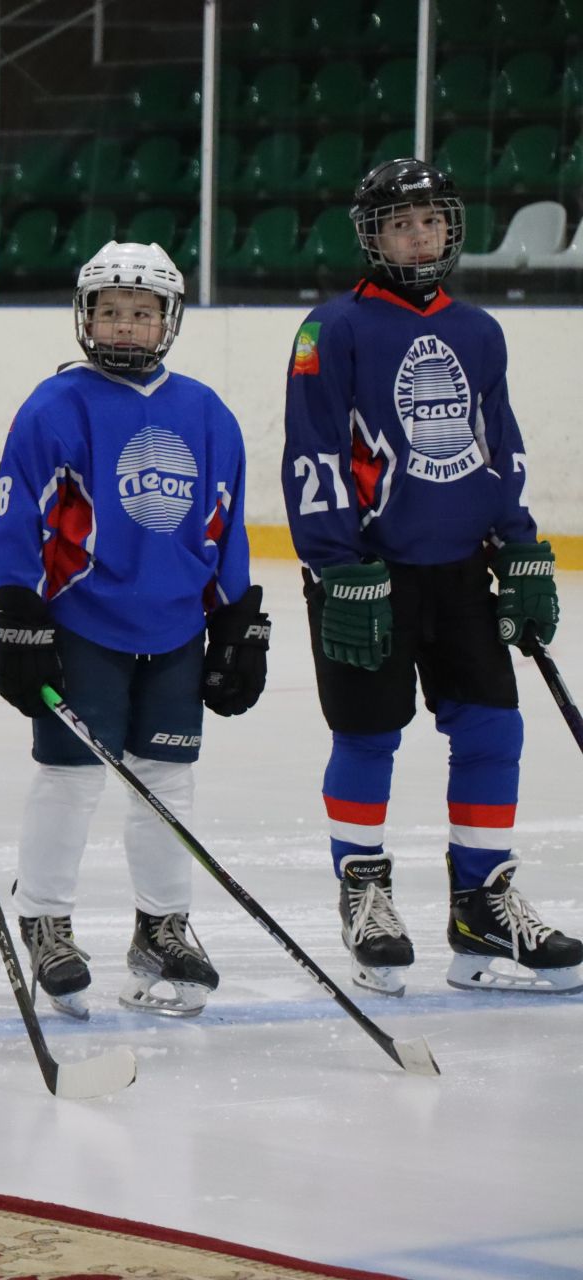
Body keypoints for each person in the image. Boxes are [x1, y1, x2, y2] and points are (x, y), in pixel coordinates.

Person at [283, 158, 580, 996]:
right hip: (368, 576)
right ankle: (365, 894)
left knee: (493, 731)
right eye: (400, 223)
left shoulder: (480, 330)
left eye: (432, 221)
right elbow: (311, 451)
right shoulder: (330, 329)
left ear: (451, 228)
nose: (419, 236)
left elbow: (498, 444)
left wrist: (518, 546)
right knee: (370, 736)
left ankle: (480, 905)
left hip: (461, 572)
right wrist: (338, 566)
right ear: (371, 236)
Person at [0, 241, 266, 1021]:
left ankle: (162, 927)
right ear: (86, 316)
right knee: (72, 777)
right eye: (112, 311)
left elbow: (225, 523)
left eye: (143, 314)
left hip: (176, 626)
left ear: (169, 321)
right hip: (84, 624)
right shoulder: (56, 406)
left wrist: (237, 622)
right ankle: (45, 918)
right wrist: (16, 612)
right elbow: (17, 514)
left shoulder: (207, 412)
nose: (127, 327)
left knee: (167, 779)